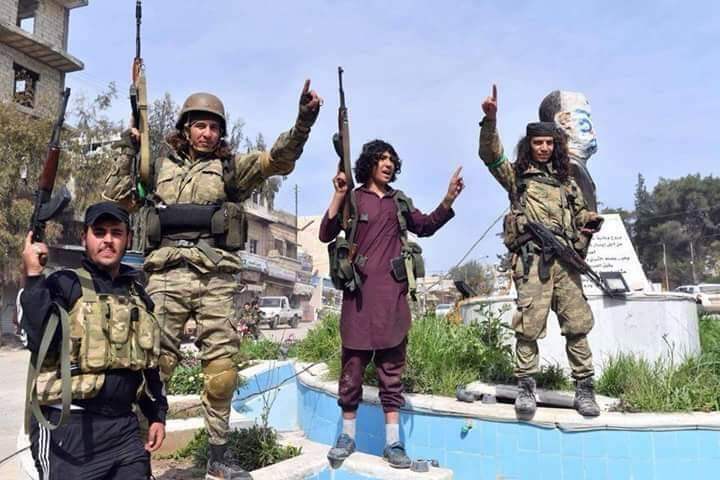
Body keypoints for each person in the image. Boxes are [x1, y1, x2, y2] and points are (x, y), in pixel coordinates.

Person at [104, 81, 321, 479]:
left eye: (214, 127)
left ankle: (218, 455)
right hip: (166, 275)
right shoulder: (157, 166)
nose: (207, 133)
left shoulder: (230, 169)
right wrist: (128, 148)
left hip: (216, 277)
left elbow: (277, 159)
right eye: (200, 125)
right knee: (153, 365)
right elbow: (118, 197)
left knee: (221, 373)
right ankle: (136, 454)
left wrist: (303, 122)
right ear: (185, 128)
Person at [319, 139, 463, 468]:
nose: (387, 164)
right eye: (381, 158)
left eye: (391, 159)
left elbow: (425, 226)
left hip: (393, 300)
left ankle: (393, 444)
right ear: (368, 163)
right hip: (358, 300)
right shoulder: (354, 198)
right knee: (352, 371)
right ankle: (347, 437)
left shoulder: (399, 201)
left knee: (391, 374)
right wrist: (339, 194)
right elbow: (326, 233)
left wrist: (449, 198)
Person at [478, 84, 602, 418]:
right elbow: (491, 155)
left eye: (549, 143)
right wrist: (490, 121)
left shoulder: (566, 181)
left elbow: (581, 213)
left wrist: (588, 223)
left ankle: (585, 388)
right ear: (529, 145)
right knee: (528, 327)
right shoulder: (517, 177)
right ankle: (526, 388)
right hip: (532, 262)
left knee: (577, 325)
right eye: (538, 143)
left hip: (565, 263)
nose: (544, 148)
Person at [21, 202, 167, 479]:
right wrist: (33, 277)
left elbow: (149, 365)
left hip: (123, 430)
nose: (108, 240)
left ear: (128, 239)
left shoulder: (137, 294)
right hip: (70, 430)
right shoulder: (64, 284)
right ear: (84, 238)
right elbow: (39, 340)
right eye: (99, 232)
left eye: (116, 232)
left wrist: (157, 415)